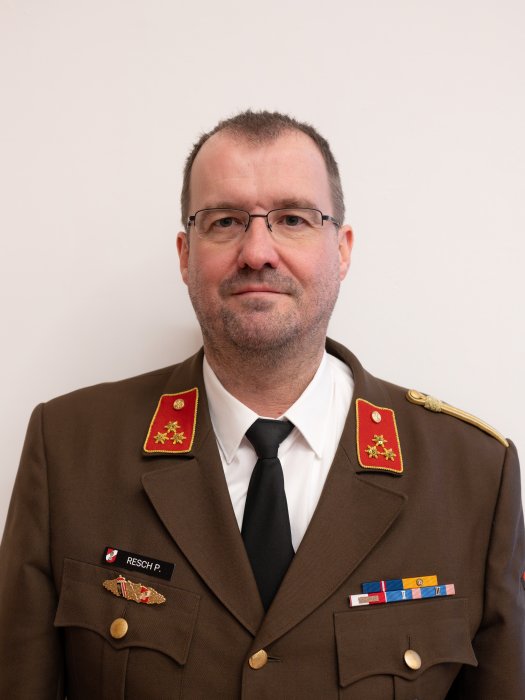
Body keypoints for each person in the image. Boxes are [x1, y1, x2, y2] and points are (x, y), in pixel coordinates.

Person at [0, 110, 523, 699]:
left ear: (342, 250)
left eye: (293, 219)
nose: (257, 252)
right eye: (224, 221)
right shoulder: (69, 450)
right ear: (185, 254)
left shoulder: (474, 476)